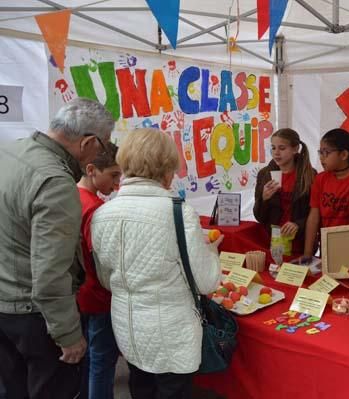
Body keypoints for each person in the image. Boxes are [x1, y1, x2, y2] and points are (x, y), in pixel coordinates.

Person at [91, 128, 222, 399]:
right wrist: (211, 252)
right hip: (171, 332)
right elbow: (206, 281)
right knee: (173, 390)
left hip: (127, 325)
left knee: (140, 387)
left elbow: (105, 278)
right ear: (166, 168)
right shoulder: (178, 213)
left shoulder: (102, 214)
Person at [0, 98, 113, 399]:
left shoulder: (10, 152)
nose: (101, 154)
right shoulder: (55, 181)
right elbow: (51, 272)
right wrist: (68, 335)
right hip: (35, 316)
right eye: (102, 148)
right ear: (89, 142)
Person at [77, 142, 121, 399]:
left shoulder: (74, 196)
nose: (116, 183)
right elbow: (102, 261)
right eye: (113, 175)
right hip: (98, 296)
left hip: (81, 293)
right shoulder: (94, 209)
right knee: (102, 364)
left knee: (88, 360)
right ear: (92, 170)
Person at [304, 128, 349, 257]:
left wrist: (343, 257)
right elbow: (313, 217)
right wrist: (307, 254)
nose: (321, 158)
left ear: (343, 155)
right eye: (320, 152)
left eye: (326, 153)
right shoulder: (320, 179)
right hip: (328, 247)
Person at [253, 128, 316, 259]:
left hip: (300, 243)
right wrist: (263, 199)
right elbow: (259, 216)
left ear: (295, 149)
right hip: (272, 241)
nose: (276, 153)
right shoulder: (264, 174)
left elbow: (315, 213)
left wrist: (298, 224)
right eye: (273, 148)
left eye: (282, 148)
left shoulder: (310, 175)